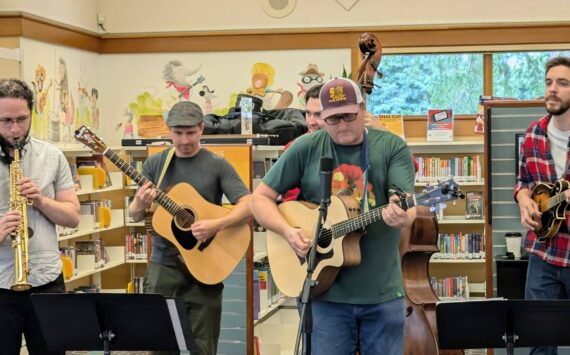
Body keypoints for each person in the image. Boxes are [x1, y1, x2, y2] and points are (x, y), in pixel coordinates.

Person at [250, 77, 417, 354]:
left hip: (382, 294)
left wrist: (403, 214)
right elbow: (259, 199)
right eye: (332, 119)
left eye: (349, 116)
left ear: (363, 109)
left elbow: (407, 207)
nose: (341, 125)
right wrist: (288, 231)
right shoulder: (306, 147)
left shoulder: (391, 147)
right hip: (323, 295)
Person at [128, 101, 252, 355]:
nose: (184, 140)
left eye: (191, 133)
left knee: (203, 348)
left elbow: (249, 205)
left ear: (202, 129)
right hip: (164, 267)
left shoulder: (218, 164)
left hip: (206, 268)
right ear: (169, 131)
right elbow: (135, 214)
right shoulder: (156, 165)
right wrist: (138, 204)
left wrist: (216, 225)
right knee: (158, 344)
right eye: (177, 133)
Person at [0, 79, 80, 355]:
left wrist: (41, 200)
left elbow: (72, 217)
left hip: (46, 281)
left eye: (22, 119)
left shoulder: (52, 156)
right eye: (6, 120)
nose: (15, 129)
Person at [514, 56, 570, 355]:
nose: (553, 89)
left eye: (563, 83)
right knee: (539, 341)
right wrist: (524, 200)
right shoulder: (533, 133)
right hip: (542, 253)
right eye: (549, 83)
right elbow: (522, 181)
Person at [281, 84, 325, 201]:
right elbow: (289, 202)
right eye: (308, 113)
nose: (311, 122)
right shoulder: (294, 147)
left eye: (318, 114)